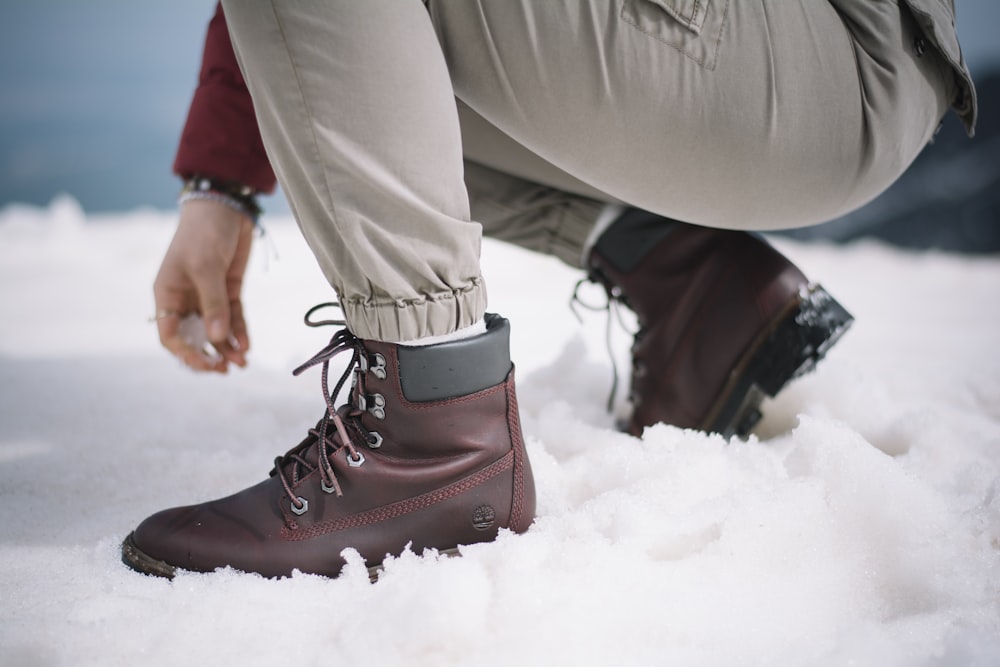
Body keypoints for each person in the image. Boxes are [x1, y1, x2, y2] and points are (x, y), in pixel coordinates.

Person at [121, 1, 977, 579]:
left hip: (807, 47)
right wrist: (220, 183)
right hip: (830, 61)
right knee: (378, 83)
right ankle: (690, 283)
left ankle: (430, 444)